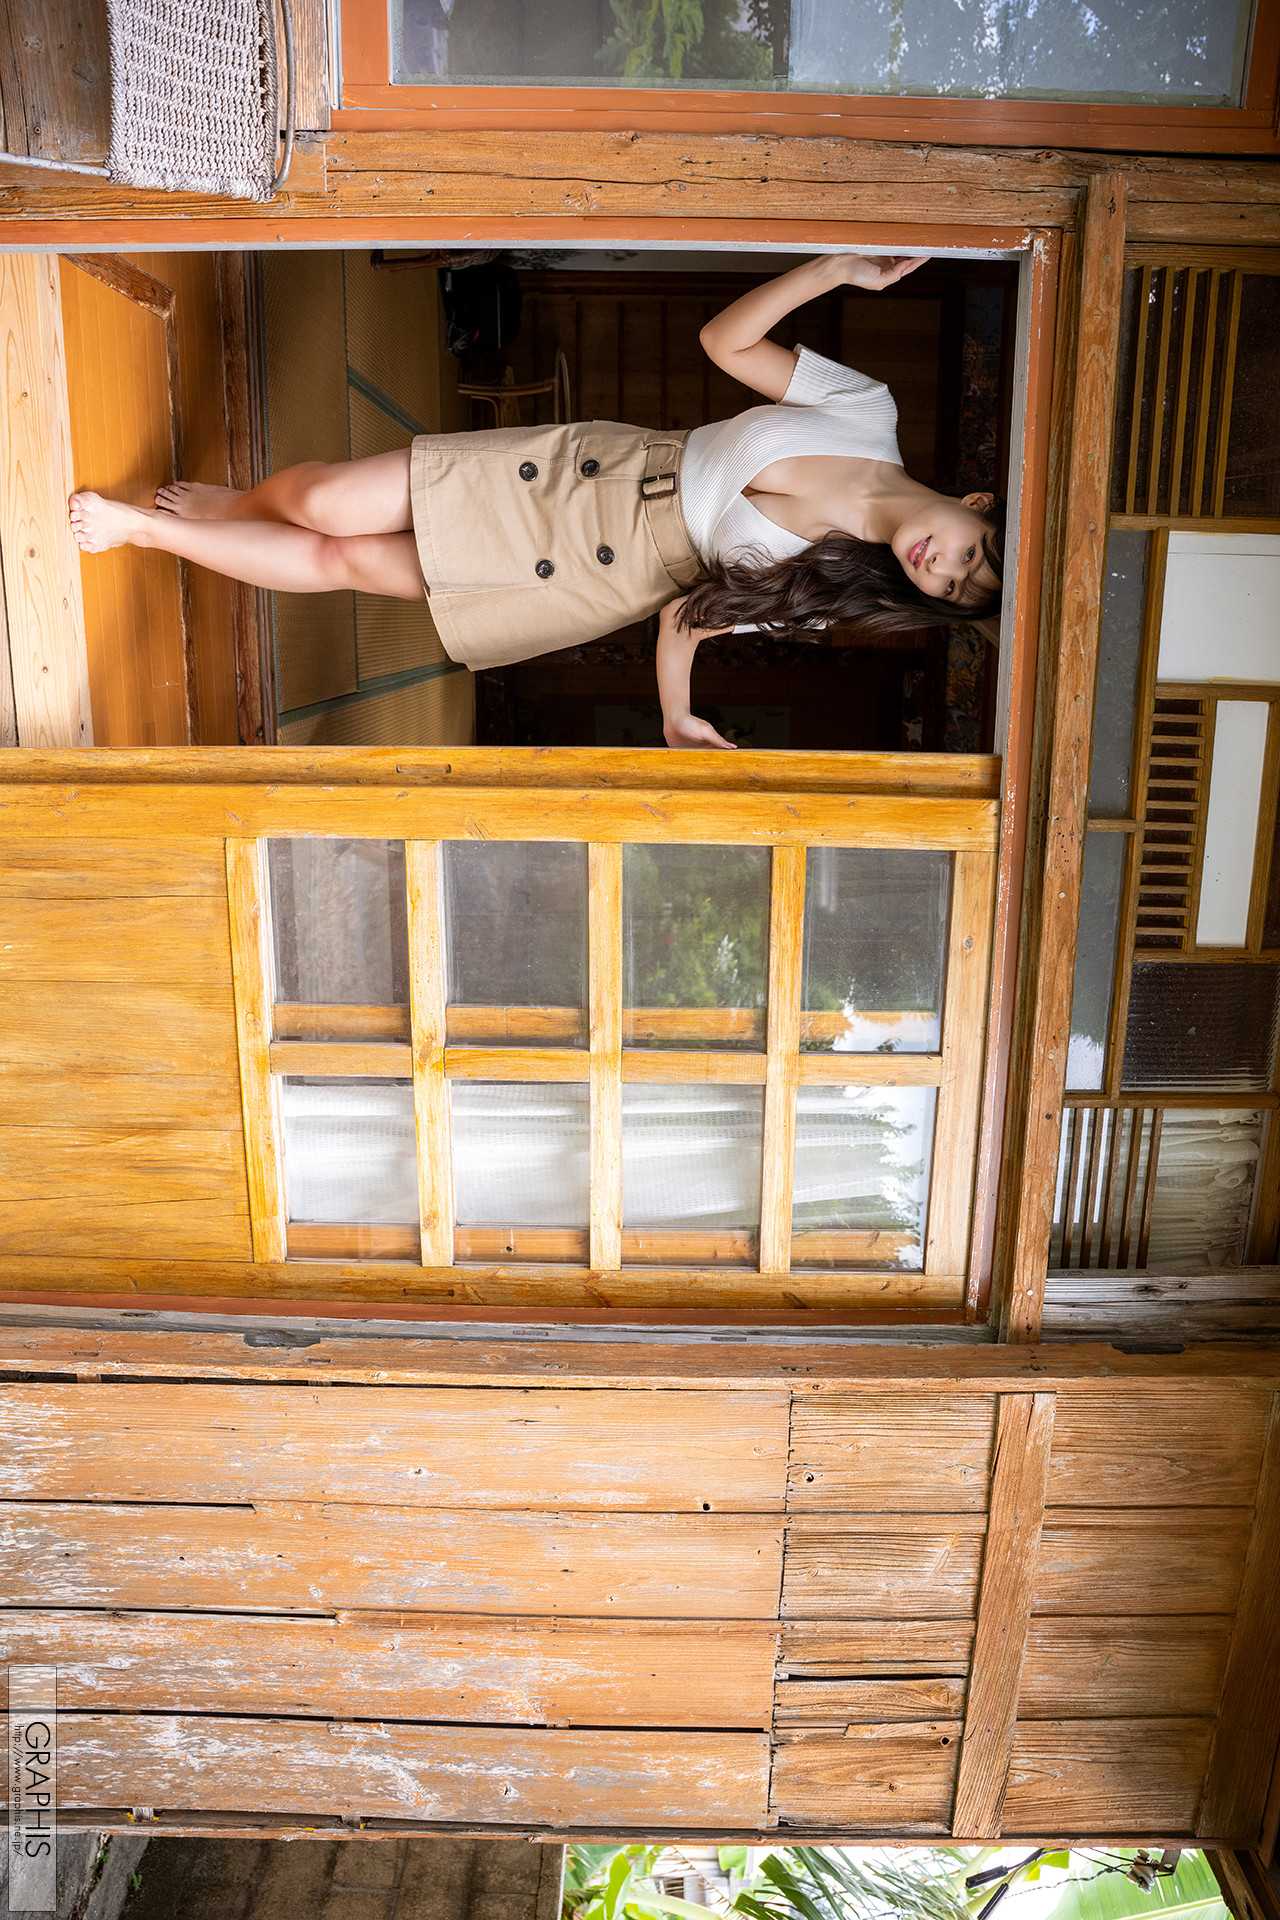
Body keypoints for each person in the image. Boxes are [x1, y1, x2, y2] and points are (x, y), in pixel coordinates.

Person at [68, 253, 1004, 749]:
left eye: (958, 591)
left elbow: (687, 617)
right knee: (322, 497)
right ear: (975, 500)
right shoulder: (867, 410)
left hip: (598, 578)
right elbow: (726, 343)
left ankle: (146, 533)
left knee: (344, 558)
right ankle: (236, 505)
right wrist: (833, 270)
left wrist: (676, 717)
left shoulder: (837, 591)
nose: (946, 570)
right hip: (597, 471)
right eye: (973, 552)